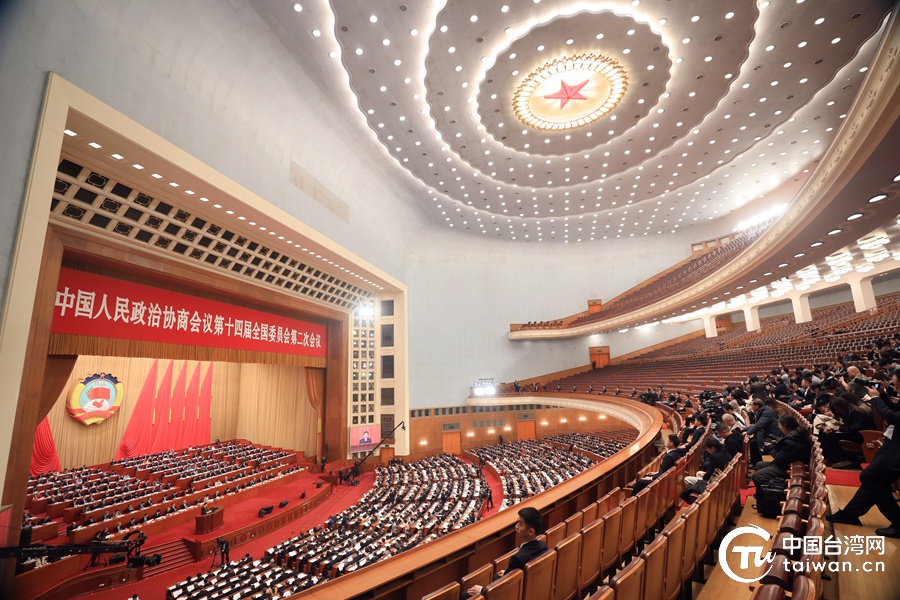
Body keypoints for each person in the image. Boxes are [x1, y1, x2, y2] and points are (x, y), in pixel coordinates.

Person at [827, 380, 900, 538]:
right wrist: (882, 395)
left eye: (896, 383)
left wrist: (876, 399)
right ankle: (849, 514)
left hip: (897, 446)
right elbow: (896, 410)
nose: (895, 386)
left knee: (870, 477)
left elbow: (894, 417)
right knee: (874, 479)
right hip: (892, 442)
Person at [465, 507, 548, 597]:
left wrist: (482, 590)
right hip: (534, 587)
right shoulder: (543, 546)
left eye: (520, 524)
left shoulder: (517, 559)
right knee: (496, 576)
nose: (516, 526)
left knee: (466, 595)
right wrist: (508, 573)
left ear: (531, 531)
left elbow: (507, 588)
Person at [751, 415, 812, 490]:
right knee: (759, 464)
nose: (779, 427)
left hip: (787, 467)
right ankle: (761, 492)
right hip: (789, 463)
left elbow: (779, 458)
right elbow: (784, 451)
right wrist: (775, 444)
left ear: (785, 426)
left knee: (757, 476)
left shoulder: (793, 440)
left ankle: (775, 489)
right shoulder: (797, 435)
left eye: (780, 425)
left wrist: (770, 447)